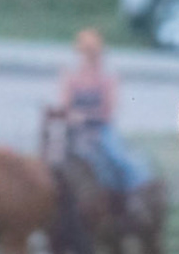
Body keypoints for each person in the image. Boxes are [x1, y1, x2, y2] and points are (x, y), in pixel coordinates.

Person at [55, 27, 151, 200]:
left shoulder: (106, 78)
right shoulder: (71, 77)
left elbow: (108, 111)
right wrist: (71, 116)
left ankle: (135, 193)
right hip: (75, 130)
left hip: (101, 128)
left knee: (117, 156)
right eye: (85, 52)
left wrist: (85, 116)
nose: (89, 57)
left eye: (93, 53)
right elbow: (65, 105)